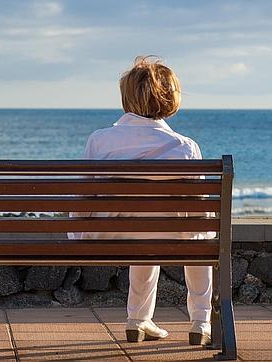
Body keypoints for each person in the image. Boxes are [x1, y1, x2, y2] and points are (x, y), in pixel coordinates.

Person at [69, 56, 213, 346]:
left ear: (127, 96)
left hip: (105, 237)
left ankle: (138, 319)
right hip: (172, 236)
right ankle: (201, 321)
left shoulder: (100, 140)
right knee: (198, 238)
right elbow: (198, 207)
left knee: (144, 232)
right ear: (170, 100)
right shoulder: (185, 147)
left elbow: (83, 198)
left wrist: (77, 233)